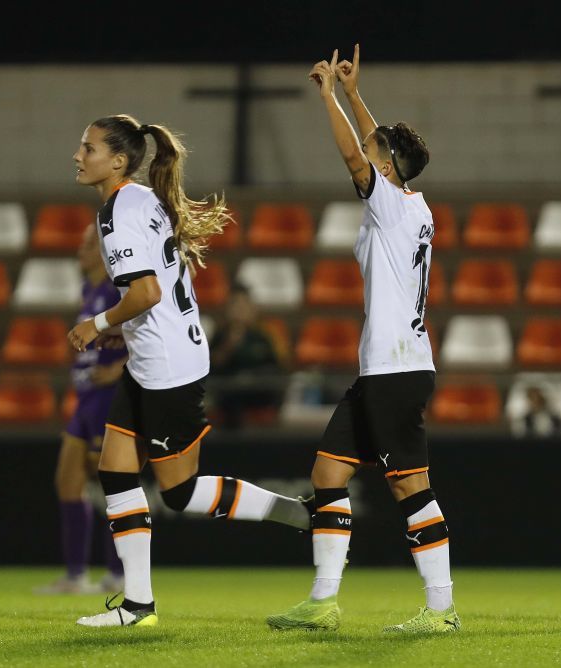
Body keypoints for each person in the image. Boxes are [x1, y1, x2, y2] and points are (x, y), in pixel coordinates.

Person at [68, 114, 310, 627]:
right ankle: (137, 605)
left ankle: (290, 510)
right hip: (158, 357)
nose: (78, 155)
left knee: (178, 492)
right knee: (114, 470)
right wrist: (124, 330)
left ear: (117, 161)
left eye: (88, 148)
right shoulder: (142, 199)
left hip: (167, 370)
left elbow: (146, 292)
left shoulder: (117, 212)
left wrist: (99, 323)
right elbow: (155, 292)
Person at [266, 46, 459, 634]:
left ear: (389, 166)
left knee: (410, 487)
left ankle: (441, 609)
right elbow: (374, 144)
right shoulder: (406, 205)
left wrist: (326, 95)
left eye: (379, 152)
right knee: (328, 472)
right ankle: (323, 601)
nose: (368, 150)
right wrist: (353, 93)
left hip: (395, 368)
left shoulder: (390, 205)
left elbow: (355, 153)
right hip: (385, 368)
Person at [37, 224, 126, 595]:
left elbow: (145, 335)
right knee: (67, 481)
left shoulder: (115, 292)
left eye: (89, 243)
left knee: (111, 486)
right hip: (86, 398)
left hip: (108, 401)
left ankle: (118, 574)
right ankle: (76, 576)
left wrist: (120, 367)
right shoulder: (89, 290)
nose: (81, 249)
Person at [207, 283, 283, 429]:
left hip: (258, 392)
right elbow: (211, 368)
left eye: (244, 305)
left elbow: (278, 368)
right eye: (236, 305)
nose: (240, 310)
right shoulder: (220, 335)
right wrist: (229, 345)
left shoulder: (265, 335)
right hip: (229, 397)